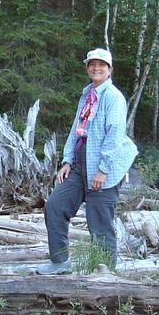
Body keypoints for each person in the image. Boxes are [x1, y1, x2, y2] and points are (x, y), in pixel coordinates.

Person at [38, 48, 138, 274]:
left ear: (109, 69)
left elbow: (114, 132)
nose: (96, 68)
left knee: (100, 223)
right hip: (79, 165)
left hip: (104, 169)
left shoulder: (113, 97)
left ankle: (104, 274)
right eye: (92, 64)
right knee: (55, 206)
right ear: (87, 68)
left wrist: (103, 170)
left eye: (101, 65)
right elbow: (76, 129)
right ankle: (59, 262)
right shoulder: (87, 94)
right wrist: (66, 161)